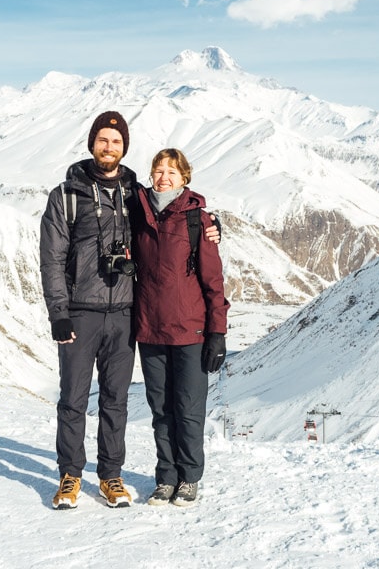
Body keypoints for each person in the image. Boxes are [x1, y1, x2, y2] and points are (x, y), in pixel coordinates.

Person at [40, 111, 138, 510]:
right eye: (103, 140)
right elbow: (52, 258)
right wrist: (58, 313)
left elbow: (173, 226)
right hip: (80, 312)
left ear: (124, 147)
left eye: (115, 142)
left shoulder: (138, 194)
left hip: (125, 313)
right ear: (91, 144)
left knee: (116, 399)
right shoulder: (66, 195)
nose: (108, 147)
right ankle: (70, 475)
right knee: (73, 399)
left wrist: (210, 223)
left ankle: (111, 476)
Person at [131, 148, 230, 507]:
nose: (164, 177)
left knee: (188, 409)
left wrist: (217, 332)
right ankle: (165, 478)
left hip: (190, 331)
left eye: (172, 172)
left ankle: (189, 478)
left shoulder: (198, 221)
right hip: (151, 329)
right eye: (159, 170)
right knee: (161, 410)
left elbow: (213, 281)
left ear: (184, 178)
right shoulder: (138, 215)